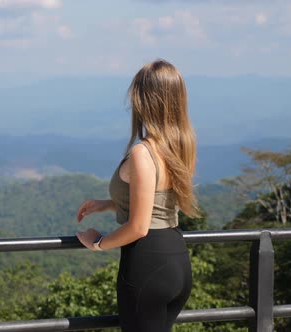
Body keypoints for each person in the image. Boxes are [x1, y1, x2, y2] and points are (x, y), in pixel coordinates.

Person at [75, 59, 197, 332]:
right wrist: (107, 205)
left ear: (145, 100)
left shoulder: (143, 152)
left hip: (147, 266)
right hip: (177, 260)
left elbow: (139, 227)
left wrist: (98, 243)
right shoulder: (179, 145)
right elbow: (156, 201)